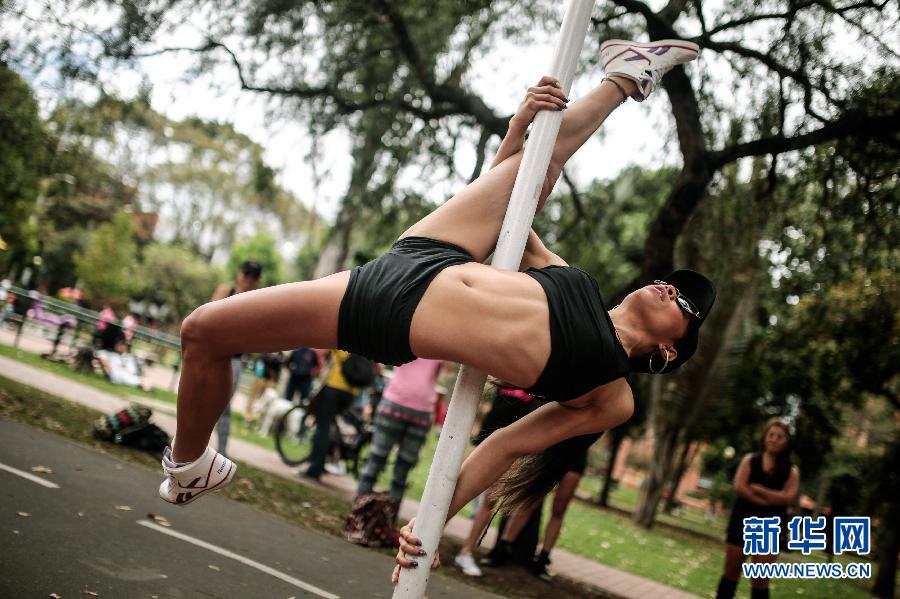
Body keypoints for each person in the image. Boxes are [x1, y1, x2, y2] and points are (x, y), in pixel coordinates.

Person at [158, 41, 714, 580]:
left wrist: (432, 520)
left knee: (203, 330)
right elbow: (512, 203)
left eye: (683, 301)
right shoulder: (570, 277)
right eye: (671, 283)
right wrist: (518, 129)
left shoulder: (612, 395)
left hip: (387, 313)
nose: (668, 289)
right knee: (537, 164)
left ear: (670, 350)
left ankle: (624, 79)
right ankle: (190, 466)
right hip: (428, 251)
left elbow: (505, 444)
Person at [715, 419, 800, 599]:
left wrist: (760, 490)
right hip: (742, 520)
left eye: (780, 437)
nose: (774, 439)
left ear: (787, 442)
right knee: (731, 572)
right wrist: (769, 500)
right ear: (764, 437)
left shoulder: (791, 471)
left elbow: (788, 497)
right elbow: (740, 487)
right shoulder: (750, 460)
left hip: (771, 525)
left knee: (760, 578)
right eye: (771, 435)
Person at [356, 358, 449, 501]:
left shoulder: (436, 348)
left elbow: (447, 369)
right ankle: (361, 507)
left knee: (398, 467)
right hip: (402, 406)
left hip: (413, 410)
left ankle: (382, 510)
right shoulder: (434, 347)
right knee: (379, 461)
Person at [210, 260, 262, 456]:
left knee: (223, 406)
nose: (248, 279)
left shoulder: (256, 300)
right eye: (246, 274)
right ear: (239, 273)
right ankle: (191, 447)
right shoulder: (226, 291)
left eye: (253, 276)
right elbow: (208, 317)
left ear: (257, 279)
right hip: (214, 355)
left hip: (234, 360)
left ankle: (221, 453)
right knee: (200, 399)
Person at [302, 349, 364, 481]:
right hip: (351, 392)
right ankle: (326, 462)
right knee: (332, 427)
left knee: (322, 428)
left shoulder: (343, 339)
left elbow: (322, 351)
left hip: (334, 387)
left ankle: (314, 468)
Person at [284, 347, 323, 437]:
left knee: (305, 405)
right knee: (287, 402)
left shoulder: (312, 353)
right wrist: (293, 370)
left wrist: (312, 374)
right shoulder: (296, 351)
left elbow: (317, 366)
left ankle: (301, 431)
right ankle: (284, 427)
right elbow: (287, 363)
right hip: (294, 379)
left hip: (306, 381)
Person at [243, 351, 284, 426]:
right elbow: (261, 359)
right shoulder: (265, 350)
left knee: (267, 401)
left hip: (271, 380)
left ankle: (260, 421)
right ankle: (247, 417)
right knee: (252, 397)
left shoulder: (280, 353)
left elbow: (280, 364)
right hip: (260, 377)